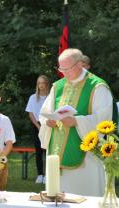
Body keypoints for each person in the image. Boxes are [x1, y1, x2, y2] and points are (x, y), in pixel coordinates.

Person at [39, 48, 113, 196]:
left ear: (80, 64)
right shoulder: (58, 86)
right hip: (57, 153)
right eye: (61, 68)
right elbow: (45, 113)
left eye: (67, 69)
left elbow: (104, 120)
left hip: (87, 159)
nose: (64, 73)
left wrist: (77, 122)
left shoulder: (97, 86)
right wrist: (48, 122)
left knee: (84, 200)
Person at [25, 75, 50, 184]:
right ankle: (40, 175)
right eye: (39, 83)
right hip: (37, 126)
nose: (41, 85)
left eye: (43, 83)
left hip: (49, 125)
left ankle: (48, 175)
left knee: (48, 151)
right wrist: (38, 126)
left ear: (47, 84)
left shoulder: (51, 97)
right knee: (39, 151)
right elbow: (31, 114)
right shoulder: (33, 97)